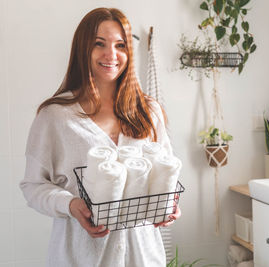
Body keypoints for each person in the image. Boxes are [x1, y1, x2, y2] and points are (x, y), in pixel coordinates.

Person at [19, 7, 181, 267]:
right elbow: (33, 186)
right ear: (83, 49)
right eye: (99, 44)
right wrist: (70, 204)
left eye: (120, 45)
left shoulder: (148, 112)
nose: (111, 55)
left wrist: (170, 205)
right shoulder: (55, 117)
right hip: (79, 257)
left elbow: (166, 173)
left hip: (142, 257)